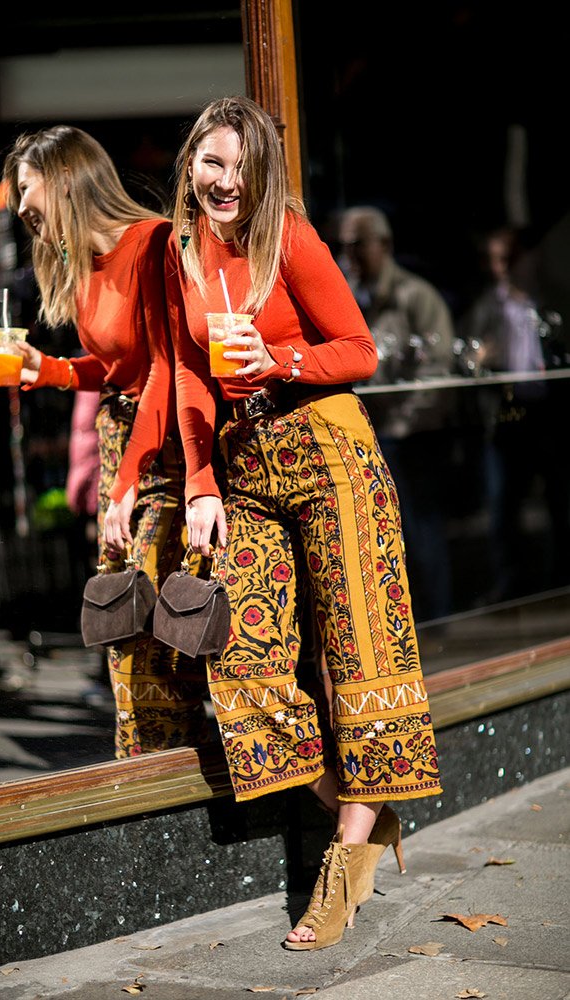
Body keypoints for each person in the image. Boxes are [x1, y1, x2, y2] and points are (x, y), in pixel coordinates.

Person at [164, 96, 442, 952]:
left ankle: (345, 858)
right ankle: (365, 804)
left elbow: (357, 348)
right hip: (244, 472)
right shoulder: (177, 251)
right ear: (190, 164)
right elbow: (185, 373)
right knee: (240, 664)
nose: (226, 181)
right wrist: (201, 484)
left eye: (242, 168)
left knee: (365, 654)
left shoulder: (286, 234)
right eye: (212, 162)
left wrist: (278, 359)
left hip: (327, 451)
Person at [0, 125, 210, 757]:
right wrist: (52, 370)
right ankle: (146, 780)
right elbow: (118, 368)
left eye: (30, 200)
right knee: (123, 623)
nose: (25, 215)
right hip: (124, 450)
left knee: (158, 625)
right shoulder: (82, 264)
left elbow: (164, 373)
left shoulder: (151, 246)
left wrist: (122, 488)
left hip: (168, 458)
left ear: (65, 184)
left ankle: (174, 780)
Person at [324, 205, 457, 623]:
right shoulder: (343, 293)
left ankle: (437, 618)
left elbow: (437, 372)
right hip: (366, 437)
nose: (349, 255)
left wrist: (402, 423)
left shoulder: (416, 296)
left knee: (421, 528)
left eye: (357, 245)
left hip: (409, 437)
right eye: (342, 246)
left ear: (385, 245)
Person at [458, 226, 569, 600]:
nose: (499, 268)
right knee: (504, 502)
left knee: (558, 496)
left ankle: (559, 578)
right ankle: (511, 582)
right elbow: (463, 356)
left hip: (547, 411)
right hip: (506, 413)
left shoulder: (548, 301)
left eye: (506, 259)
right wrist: (479, 359)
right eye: (492, 260)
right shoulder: (488, 306)